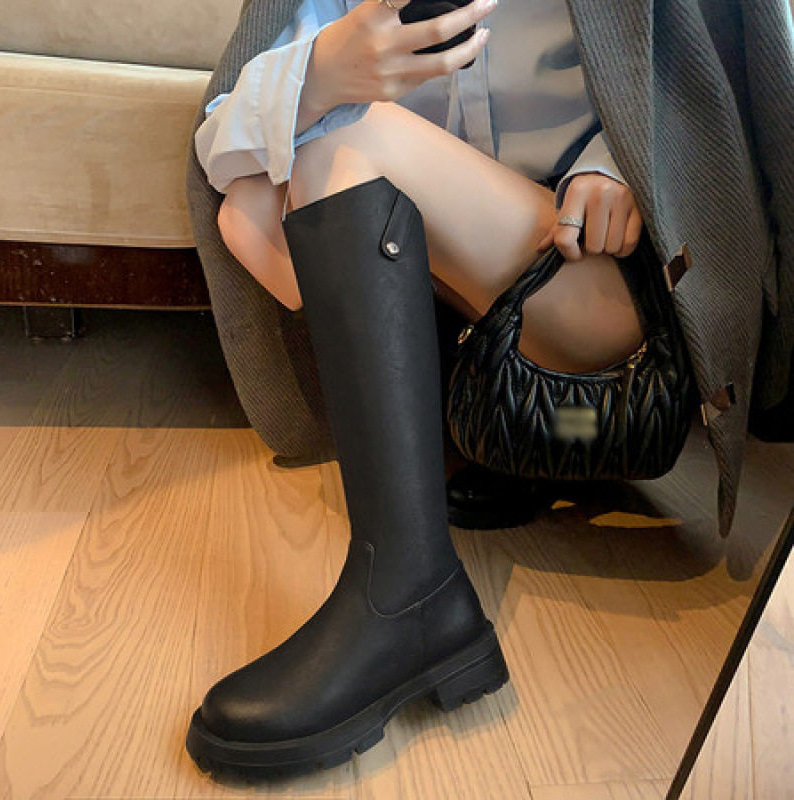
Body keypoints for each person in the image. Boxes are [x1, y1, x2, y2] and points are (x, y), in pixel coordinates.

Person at [183, 0, 794, 777]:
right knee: (252, 209)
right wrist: (323, 73)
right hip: (500, 363)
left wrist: (618, 163)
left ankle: (410, 597)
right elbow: (220, 143)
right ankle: (470, 466)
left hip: (607, 328)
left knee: (342, 145)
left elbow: (707, 90)